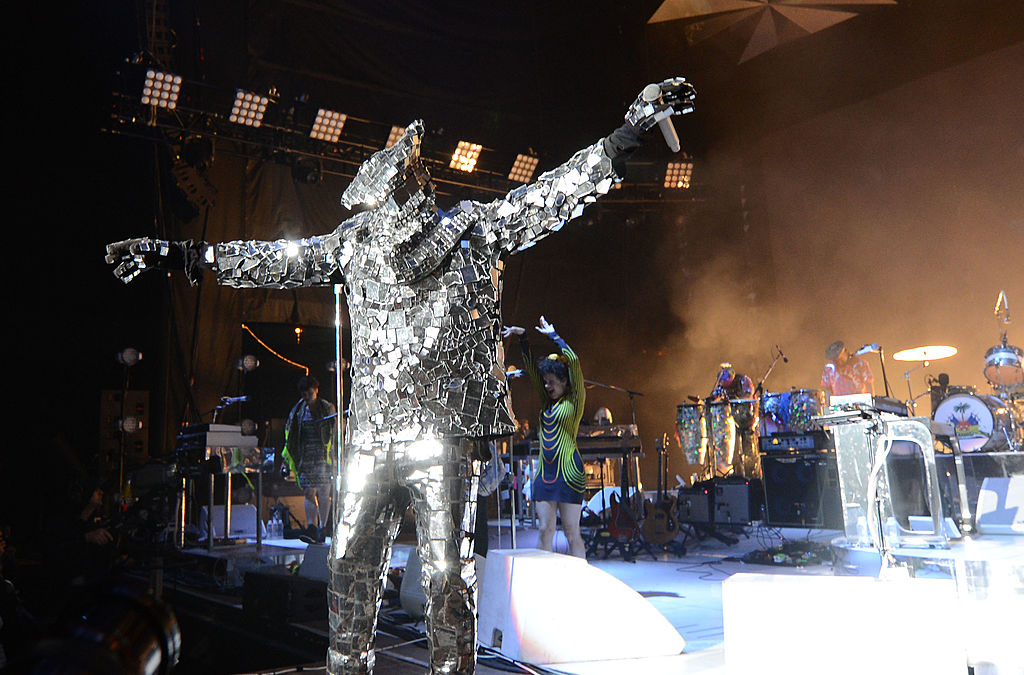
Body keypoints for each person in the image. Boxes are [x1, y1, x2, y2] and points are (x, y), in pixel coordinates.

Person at [106, 77, 695, 675]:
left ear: (413, 194)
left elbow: (547, 198)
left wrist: (625, 136)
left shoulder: (471, 230)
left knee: (445, 575)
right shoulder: (355, 244)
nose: (386, 216)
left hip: (439, 439)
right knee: (348, 565)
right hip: (370, 440)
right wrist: (174, 253)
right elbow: (270, 261)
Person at [503, 317, 587, 558]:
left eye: (552, 382)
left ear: (564, 382)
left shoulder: (575, 400)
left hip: (569, 474)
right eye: (546, 382)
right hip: (545, 476)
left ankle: (582, 581)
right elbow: (531, 368)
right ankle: (546, 583)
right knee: (544, 530)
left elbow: (574, 361)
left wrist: (554, 335)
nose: (548, 386)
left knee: (572, 531)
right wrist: (523, 337)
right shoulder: (546, 401)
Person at [283, 376, 337, 540]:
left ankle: (323, 527)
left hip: (323, 455)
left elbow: (335, 431)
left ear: (316, 390)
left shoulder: (327, 407)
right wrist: (287, 459)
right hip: (306, 457)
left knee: (324, 491)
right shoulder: (298, 410)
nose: (306, 396)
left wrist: (335, 453)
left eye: (309, 392)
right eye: (304, 393)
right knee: (308, 491)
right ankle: (311, 526)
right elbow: (290, 435)